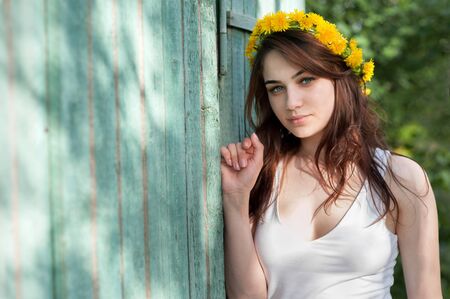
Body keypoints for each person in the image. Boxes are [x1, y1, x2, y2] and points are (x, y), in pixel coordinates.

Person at [219, 10, 442, 299]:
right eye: (277, 88)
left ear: (340, 80)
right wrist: (236, 201)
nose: (291, 102)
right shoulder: (262, 174)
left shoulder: (400, 177)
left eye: (306, 80)